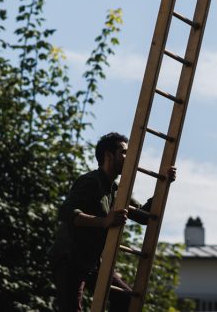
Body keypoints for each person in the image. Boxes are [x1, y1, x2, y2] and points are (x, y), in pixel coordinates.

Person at [48, 132, 176, 311]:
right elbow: (66, 212)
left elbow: (142, 216)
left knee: (127, 300)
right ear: (108, 156)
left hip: (93, 262)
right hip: (69, 258)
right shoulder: (90, 181)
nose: (130, 157)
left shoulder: (118, 191)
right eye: (124, 152)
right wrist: (103, 221)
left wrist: (163, 183)